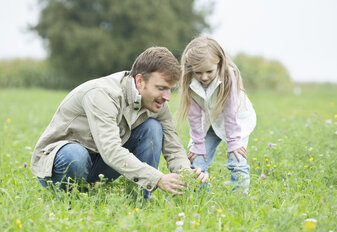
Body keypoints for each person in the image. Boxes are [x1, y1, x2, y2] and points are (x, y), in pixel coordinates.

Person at [30, 47, 208, 199]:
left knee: (152, 128)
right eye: (161, 88)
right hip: (61, 162)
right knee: (76, 156)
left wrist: (187, 174)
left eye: (170, 89)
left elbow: (173, 147)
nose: (167, 97)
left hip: (98, 163)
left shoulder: (157, 102)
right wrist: (157, 178)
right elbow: (111, 150)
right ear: (139, 81)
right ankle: (67, 199)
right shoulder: (102, 95)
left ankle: (139, 201)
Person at [177, 37, 256, 192]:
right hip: (210, 121)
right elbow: (193, 116)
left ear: (219, 63)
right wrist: (198, 144)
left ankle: (239, 199)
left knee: (237, 158)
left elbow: (230, 111)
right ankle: (200, 197)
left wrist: (233, 142)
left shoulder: (228, 76)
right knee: (197, 160)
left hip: (236, 121)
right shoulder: (188, 79)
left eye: (209, 71)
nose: (204, 77)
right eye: (198, 72)